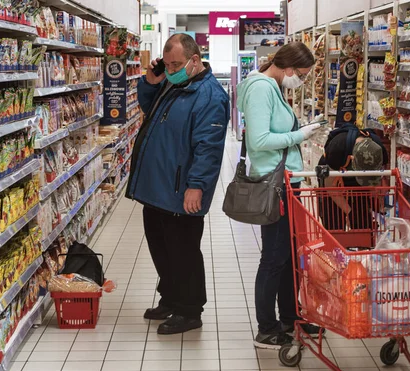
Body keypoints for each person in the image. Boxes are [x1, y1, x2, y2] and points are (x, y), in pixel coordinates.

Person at [126, 33, 230, 335]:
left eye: (176, 64)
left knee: (183, 251)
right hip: (157, 188)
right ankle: (170, 298)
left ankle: (189, 310)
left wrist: (196, 185)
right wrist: (152, 79)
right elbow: (148, 107)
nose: (171, 69)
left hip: (180, 190)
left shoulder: (209, 96)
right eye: (167, 64)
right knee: (161, 248)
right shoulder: (173, 85)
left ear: (194, 60)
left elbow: (208, 148)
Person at [236, 42, 323, 349]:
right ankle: (267, 327)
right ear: (288, 69)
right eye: (301, 74)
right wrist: (302, 134)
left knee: (287, 256)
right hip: (275, 184)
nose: (300, 80)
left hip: (287, 181)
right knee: (273, 257)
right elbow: (259, 140)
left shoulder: (271, 86)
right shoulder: (261, 88)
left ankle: (290, 315)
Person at [317, 126, 388, 244]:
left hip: (357, 181)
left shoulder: (379, 150)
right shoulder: (337, 148)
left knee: (362, 224)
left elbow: (382, 177)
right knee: (334, 225)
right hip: (333, 175)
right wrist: (349, 212)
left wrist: (379, 197)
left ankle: (363, 253)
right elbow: (331, 189)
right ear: (352, 158)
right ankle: (335, 255)